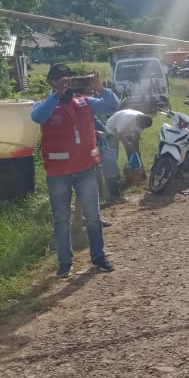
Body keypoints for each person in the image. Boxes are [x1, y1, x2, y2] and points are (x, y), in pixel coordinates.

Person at [31, 63, 120, 278]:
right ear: (52, 82)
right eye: (61, 79)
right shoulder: (43, 105)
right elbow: (38, 117)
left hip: (86, 169)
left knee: (93, 216)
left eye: (69, 78)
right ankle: (64, 262)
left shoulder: (85, 102)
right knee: (61, 219)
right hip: (58, 173)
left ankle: (98, 256)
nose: (66, 82)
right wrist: (56, 95)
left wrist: (100, 88)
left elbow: (112, 105)